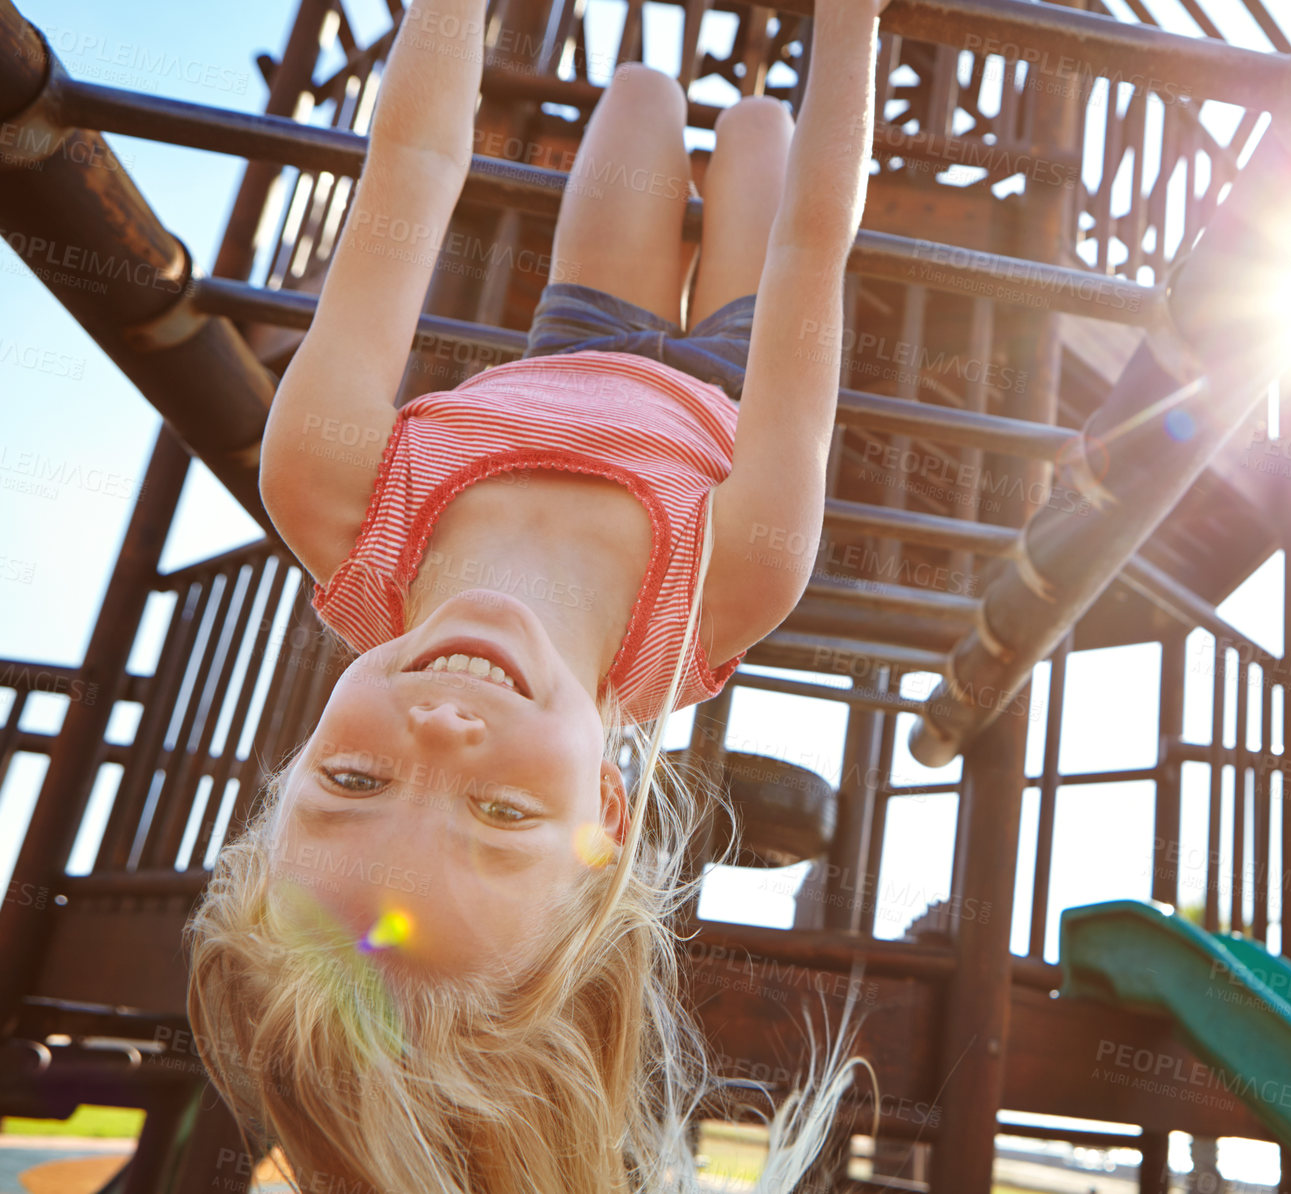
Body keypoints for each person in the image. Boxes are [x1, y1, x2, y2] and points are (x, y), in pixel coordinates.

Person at [184, 0, 888, 1187]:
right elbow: (815, 247)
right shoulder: (732, 579)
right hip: (732, 377)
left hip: (577, 332)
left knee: (645, 100)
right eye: (503, 814)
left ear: (294, 767)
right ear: (606, 821)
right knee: (766, 126)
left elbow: (410, 161)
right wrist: (856, 22)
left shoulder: (335, 491)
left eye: (355, 780)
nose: (442, 734)